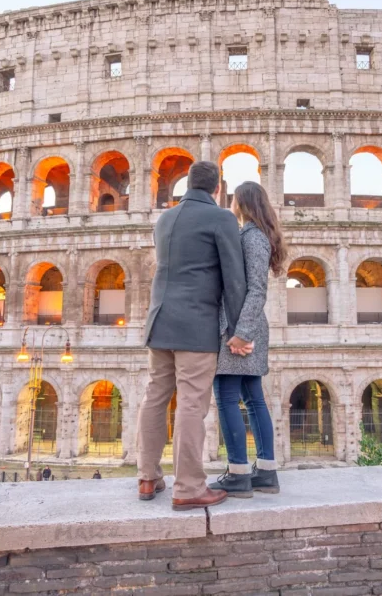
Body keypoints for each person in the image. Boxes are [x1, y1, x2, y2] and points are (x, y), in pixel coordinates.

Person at [137, 160, 248, 511]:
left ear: (187, 184)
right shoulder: (222, 218)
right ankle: (188, 486)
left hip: (159, 322)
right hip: (195, 324)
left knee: (155, 397)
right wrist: (239, 329)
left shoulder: (165, 218)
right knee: (190, 404)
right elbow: (233, 278)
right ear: (217, 188)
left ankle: (147, 476)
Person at [208, 181, 285, 498]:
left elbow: (256, 289)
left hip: (242, 330)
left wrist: (241, 333)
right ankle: (265, 472)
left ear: (243, 203)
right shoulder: (255, 235)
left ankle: (239, 472)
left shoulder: (253, 238)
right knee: (253, 399)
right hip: (245, 327)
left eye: (234, 200)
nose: (232, 204)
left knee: (227, 396)